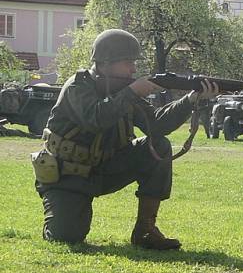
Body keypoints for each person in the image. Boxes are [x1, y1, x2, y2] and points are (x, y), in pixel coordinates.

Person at [32, 29, 219, 249]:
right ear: (105, 62)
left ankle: (145, 231)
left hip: (107, 168)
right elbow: (96, 118)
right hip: (69, 175)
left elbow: (156, 124)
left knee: (158, 146)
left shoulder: (124, 90)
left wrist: (191, 99)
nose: (133, 69)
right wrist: (132, 92)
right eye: (128, 62)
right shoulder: (77, 87)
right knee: (65, 236)